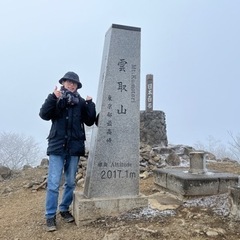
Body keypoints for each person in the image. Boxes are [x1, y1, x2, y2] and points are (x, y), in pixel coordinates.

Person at [39, 71, 96, 232]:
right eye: (68, 82)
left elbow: (90, 121)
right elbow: (44, 115)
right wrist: (53, 97)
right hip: (57, 146)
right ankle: (50, 215)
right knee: (54, 183)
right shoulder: (56, 98)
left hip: (74, 147)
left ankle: (64, 209)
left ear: (77, 86)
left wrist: (90, 104)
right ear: (63, 83)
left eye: (74, 83)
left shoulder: (80, 102)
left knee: (70, 182)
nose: (71, 84)